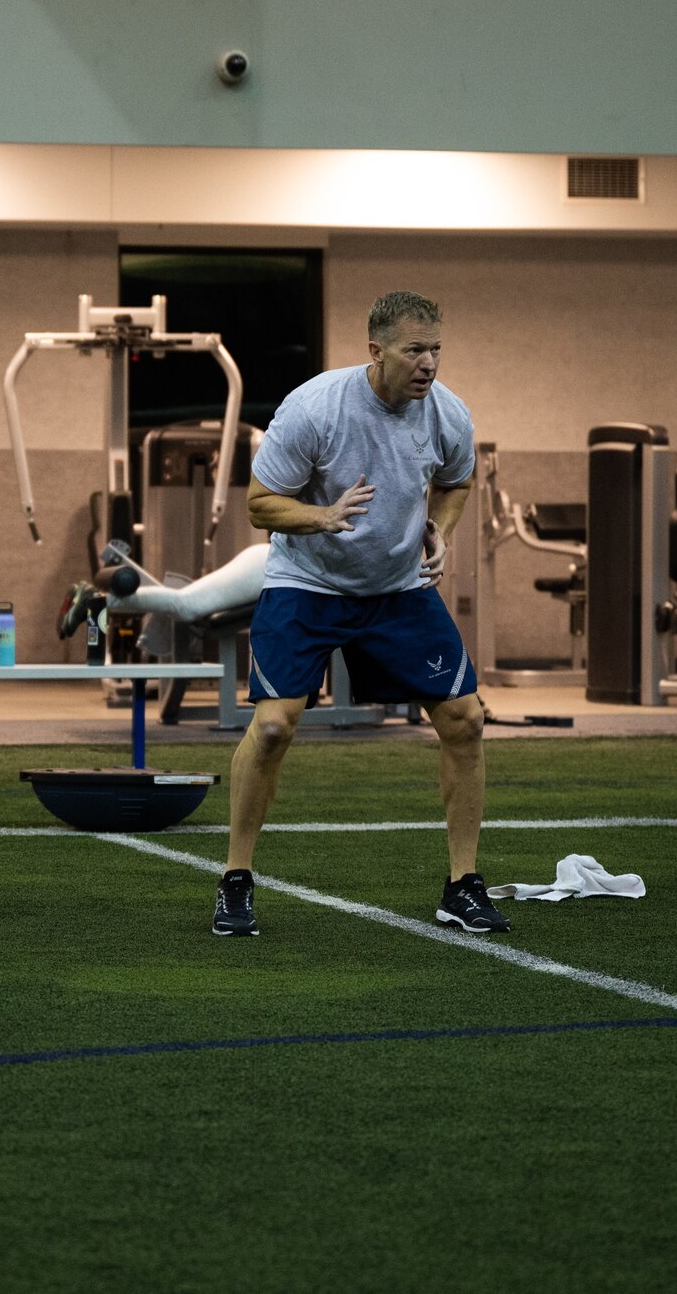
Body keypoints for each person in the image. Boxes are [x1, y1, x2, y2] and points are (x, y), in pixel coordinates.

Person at [214, 290, 509, 937]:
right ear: (376, 352)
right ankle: (236, 878)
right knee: (271, 729)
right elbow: (261, 503)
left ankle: (462, 885)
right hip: (307, 583)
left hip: (398, 588)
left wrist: (442, 527)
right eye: (414, 350)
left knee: (465, 720)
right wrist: (322, 516)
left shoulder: (447, 413)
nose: (428, 363)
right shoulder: (316, 408)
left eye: (436, 349)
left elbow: (459, 479)